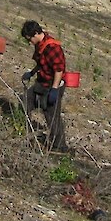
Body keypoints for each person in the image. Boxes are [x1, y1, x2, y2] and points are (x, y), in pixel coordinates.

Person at [20, 20, 67, 152]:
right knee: (25, 100)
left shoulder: (53, 48)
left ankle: (60, 146)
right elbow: (41, 63)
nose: (29, 42)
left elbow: (59, 70)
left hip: (52, 85)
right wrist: (31, 73)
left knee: (52, 116)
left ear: (35, 33)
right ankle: (26, 128)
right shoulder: (40, 45)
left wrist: (54, 89)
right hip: (41, 83)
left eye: (29, 39)